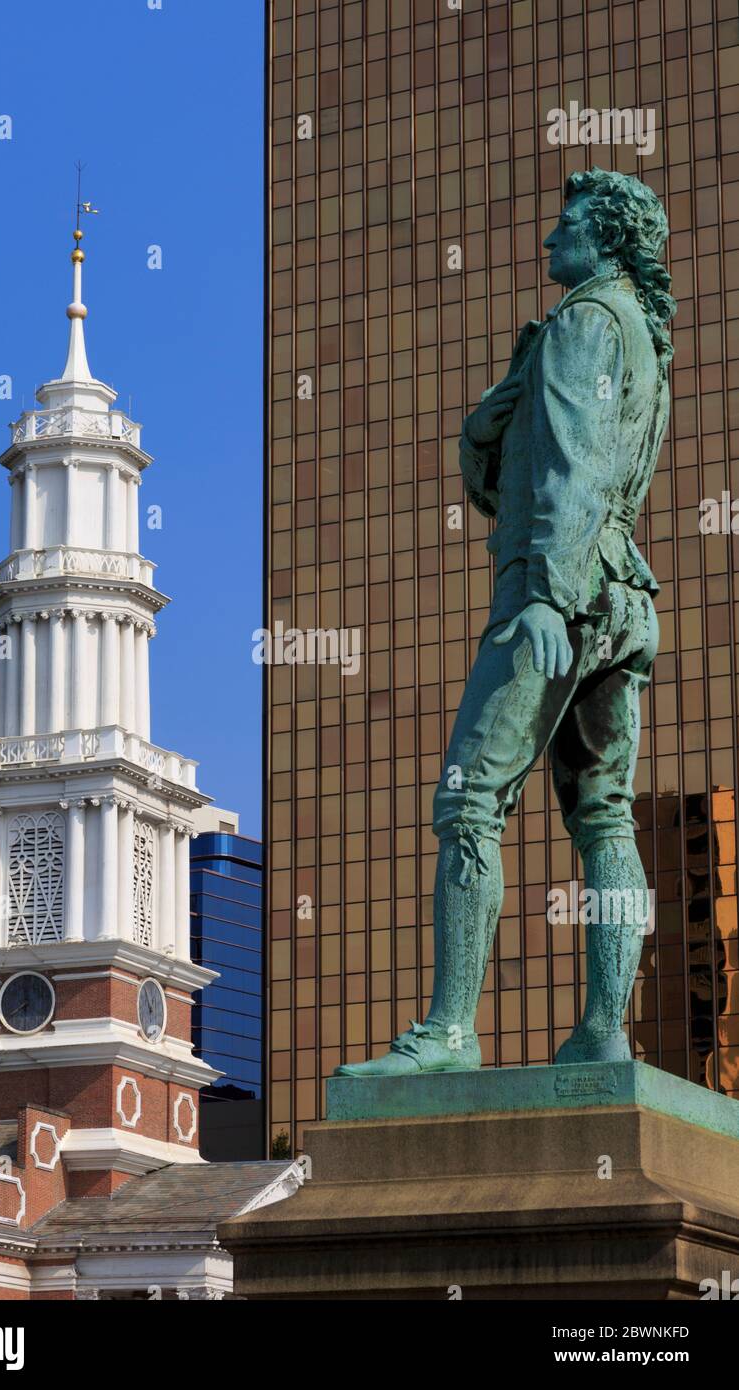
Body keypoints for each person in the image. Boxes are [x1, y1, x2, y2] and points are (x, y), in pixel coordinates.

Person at [337, 168, 676, 1078]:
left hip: (557, 595)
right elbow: (531, 470)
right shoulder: (641, 337)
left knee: (468, 801)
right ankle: (606, 1032)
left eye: (568, 221)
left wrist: (541, 597)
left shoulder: (583, 324)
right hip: (625, 603)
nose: (549, 234)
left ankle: (450, 1031)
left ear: (606, 238)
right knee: (605, 818)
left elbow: (570, 466)